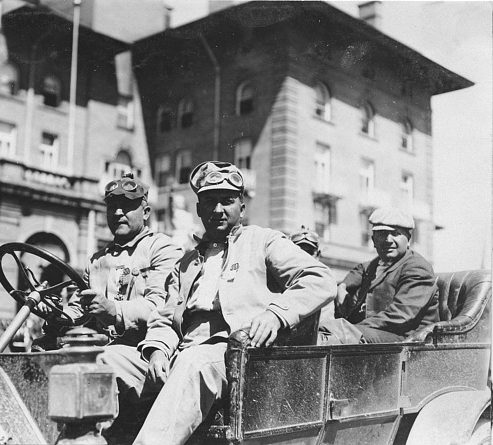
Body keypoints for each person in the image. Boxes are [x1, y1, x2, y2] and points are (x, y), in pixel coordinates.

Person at [101, 161, 336, 445]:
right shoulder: (186, 262)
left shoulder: (263, 241)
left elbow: (319, 278)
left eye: (227, 201)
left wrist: (276, 314)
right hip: (183, 354)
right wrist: (157, 351)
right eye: (210, 202)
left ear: (242, 206)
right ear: (199, 209)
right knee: (105, 360)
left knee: (193, 362)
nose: (217, 210)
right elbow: (164, 318)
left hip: (238, 357)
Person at [38, 172, 182, 351]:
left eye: (127, 206)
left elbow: (160, 307)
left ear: (145, 213)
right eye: (112, 206)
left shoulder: (162, 249)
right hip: (102, 347)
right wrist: (56, 313)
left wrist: (113, 309)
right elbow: (77, 310)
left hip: (145, 349)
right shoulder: (97, 260)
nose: (118, 212)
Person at [318, 207, 439, 344]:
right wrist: (343, 286)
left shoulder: (416, 268)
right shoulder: (376, 264)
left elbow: (400, 316)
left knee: (335, 335)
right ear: (373, 239)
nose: (388, 240)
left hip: (408, 340)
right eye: (382, 233)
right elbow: (359, 270)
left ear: (408, 239)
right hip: (379, 334)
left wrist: (350, 328)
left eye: (395, 233)